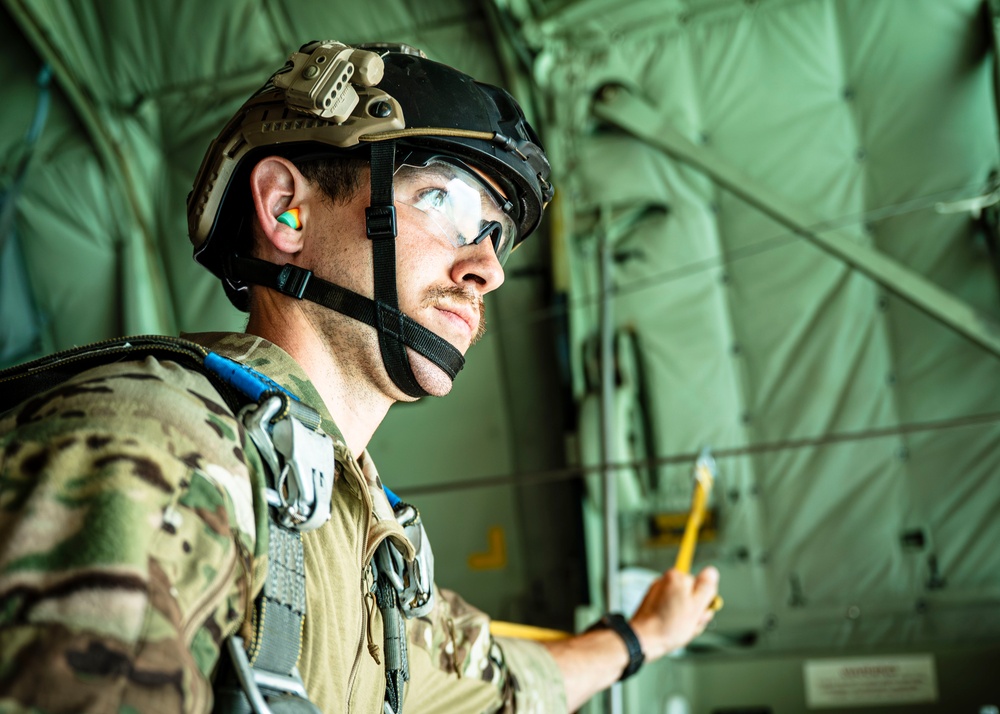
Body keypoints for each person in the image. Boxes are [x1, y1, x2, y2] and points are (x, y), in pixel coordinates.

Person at [0, 40, 719, 713]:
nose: (488, 269)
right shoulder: (157, 453)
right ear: (287, 208)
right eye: (443, 201)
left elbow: (504, 685)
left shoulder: (361, 537)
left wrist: (644, 637)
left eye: (494, 234)